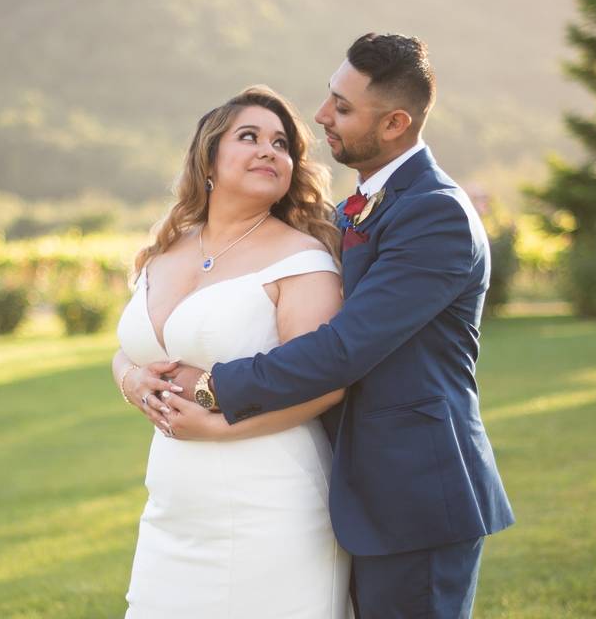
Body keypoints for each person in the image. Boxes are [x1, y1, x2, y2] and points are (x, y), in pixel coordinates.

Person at [154, 33, 515, 618]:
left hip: (415, 495)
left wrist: (213, 385)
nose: (321, 117)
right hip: (350, 489)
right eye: (330, 97)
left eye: (343, 108)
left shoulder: (435, 212)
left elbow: (346, 349)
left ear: (396, 122)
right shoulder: (361, 204)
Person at [112, 85, 352, 618]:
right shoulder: (166, 248)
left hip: (269, 505)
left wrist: (216, 428)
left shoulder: (303, 259)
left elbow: (325, 383)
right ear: (209, 160)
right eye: (250, 137)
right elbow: (130, 351)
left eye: (282, 144)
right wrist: (131, 381)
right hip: (173, 507)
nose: (270, 150)